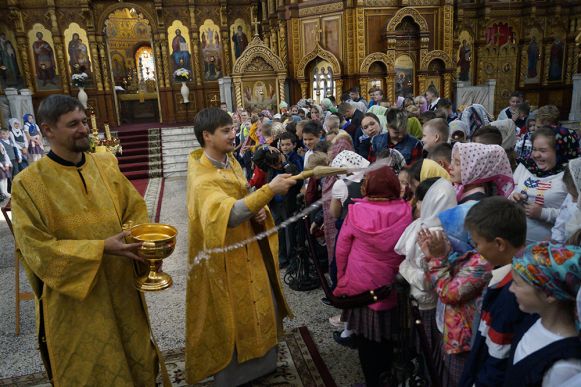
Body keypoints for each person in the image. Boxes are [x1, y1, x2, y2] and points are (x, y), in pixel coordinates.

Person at [11, 94, 169, 386]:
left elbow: (134, 208)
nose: (84, 128)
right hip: (76, 302)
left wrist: (141, 240)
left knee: (137, 358)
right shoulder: (28, 184)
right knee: (92, 370)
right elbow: (35, 249)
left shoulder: (106, 165)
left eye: (84, 121)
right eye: (73, 124)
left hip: (121, 285)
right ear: (48, 131)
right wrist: (100, 248)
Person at [185, 107, 296, 385]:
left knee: (261, 303)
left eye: (233, 128)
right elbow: (230, 215)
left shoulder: (230, 161)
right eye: (227, 131)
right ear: (207, 136)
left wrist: (258, 210)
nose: (234, 134)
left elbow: (242, 194)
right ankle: (234, 375)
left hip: (249, 248)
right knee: (232, 316)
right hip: (225, 258)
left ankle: (262, 365)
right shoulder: (202, 177)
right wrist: (268, 191)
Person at [334, 165, 412, 386]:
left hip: (362, 285)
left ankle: (372, 380)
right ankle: (389, 376)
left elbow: (342, 249)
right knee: (390, 335)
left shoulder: (357, 211)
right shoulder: (406, 210)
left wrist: (341, 279)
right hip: (392, 284)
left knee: (367, 341)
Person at [459, 197, 532, 387]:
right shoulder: (514, 277)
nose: (476, 251)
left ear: (499, 244)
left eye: (477, 244)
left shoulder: (513, 294)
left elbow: (497, 359)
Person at [505, 242, 581, 386]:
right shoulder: (533, 317)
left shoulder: (566, 366)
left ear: (549, 294)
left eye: (517, 283)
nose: (510, 289)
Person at [396, 177, 457, 353]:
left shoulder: (436, 235)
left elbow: (426, 279)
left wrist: (404, 268)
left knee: (427, 345)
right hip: (418, 297)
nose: (416, 203)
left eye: (421, 199)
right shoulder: (425, 225)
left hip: (427, 301)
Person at [509, 126, 580, 243]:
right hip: (515, 241)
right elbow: (513, 190)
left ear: (560, 151)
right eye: (534, 149)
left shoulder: (572, 175)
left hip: (550, 249)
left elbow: (574, 214)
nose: (535, 155)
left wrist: (543, 213)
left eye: (542, 150)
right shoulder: (526, 166)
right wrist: (514, 196)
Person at [450, 142, 514, 204]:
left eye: (457, 164)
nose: (450, 167)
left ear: (475, 169)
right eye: (452, 161)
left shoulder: (474, 203)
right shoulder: (460, 188)